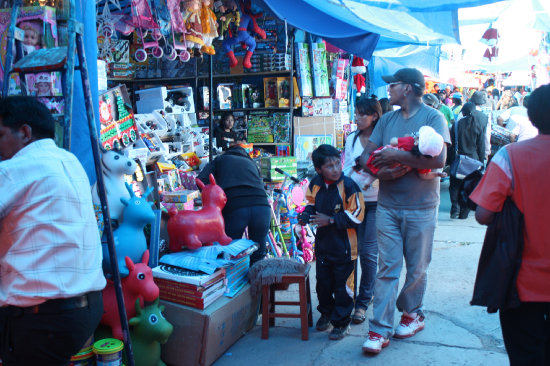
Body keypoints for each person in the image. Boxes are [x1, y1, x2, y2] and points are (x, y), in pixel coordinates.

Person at [0, 96, 106, 365]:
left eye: (0, 136)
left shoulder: (14, 169)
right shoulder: (70, 161)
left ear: (25, 132)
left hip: (43, 317)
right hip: (86, 309)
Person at [358, 68, 450, 354]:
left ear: (408, 88)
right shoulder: (387, 119)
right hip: (387, 206)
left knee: (417, 267)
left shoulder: (433, 118)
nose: (389, 89)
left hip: (421, 207)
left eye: (393, 85)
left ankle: (412, 314)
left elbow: (440, 160)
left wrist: (396, 155)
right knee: (387, 268)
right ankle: (379, 329)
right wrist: (376, 162)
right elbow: (364, 157)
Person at [470, 84, 550, 366]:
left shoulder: (510, 157)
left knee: (526, 357)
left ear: (532, 116)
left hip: (522, 285)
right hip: (522, 285)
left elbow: (483, 215)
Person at [299, 144, 364, 340]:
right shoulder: (315, 183)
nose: (336, 169)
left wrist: (332, 220)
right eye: (330, 166)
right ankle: (326, 313)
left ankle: (342, 322)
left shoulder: (350, 186)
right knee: (323, 285)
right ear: (319, 169)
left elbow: (358, 215)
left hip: (346, 249)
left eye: (338, 163)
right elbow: (310, 204)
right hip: (323, 247)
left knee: (343, 288)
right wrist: (305, 216)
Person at [197, 143, 270, 266]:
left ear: (227, 152)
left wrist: (212, 198)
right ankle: (258, 283)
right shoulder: (251, 162)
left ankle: (231, 283)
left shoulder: (220, 159)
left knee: (228, 253)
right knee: (258, 255)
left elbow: (201, 179)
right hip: (261, 207)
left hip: (235, 208)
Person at [343, 97, 381, 324]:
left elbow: (387, 168)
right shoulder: (352, 139)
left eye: (361, 114)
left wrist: (370, 171)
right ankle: (349, 297)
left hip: (376, 201)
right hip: (353, 202)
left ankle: (364, 300)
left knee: (368, 253)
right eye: (355, 114)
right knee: (350, 253)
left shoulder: (382, 139)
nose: (356, 118)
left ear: (374, 116)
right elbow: (347, 166)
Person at [449, 102, 486, 219]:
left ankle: (455, 207)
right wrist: (481, 161)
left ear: (463, 112)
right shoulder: (478, 126)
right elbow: (481, 146)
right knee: (469, 187)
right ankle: (464, 212)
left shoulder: (456, 125)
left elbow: (450, 145)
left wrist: (449, 161)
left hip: (458, 159)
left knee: (454, 185)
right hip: (473, 161)